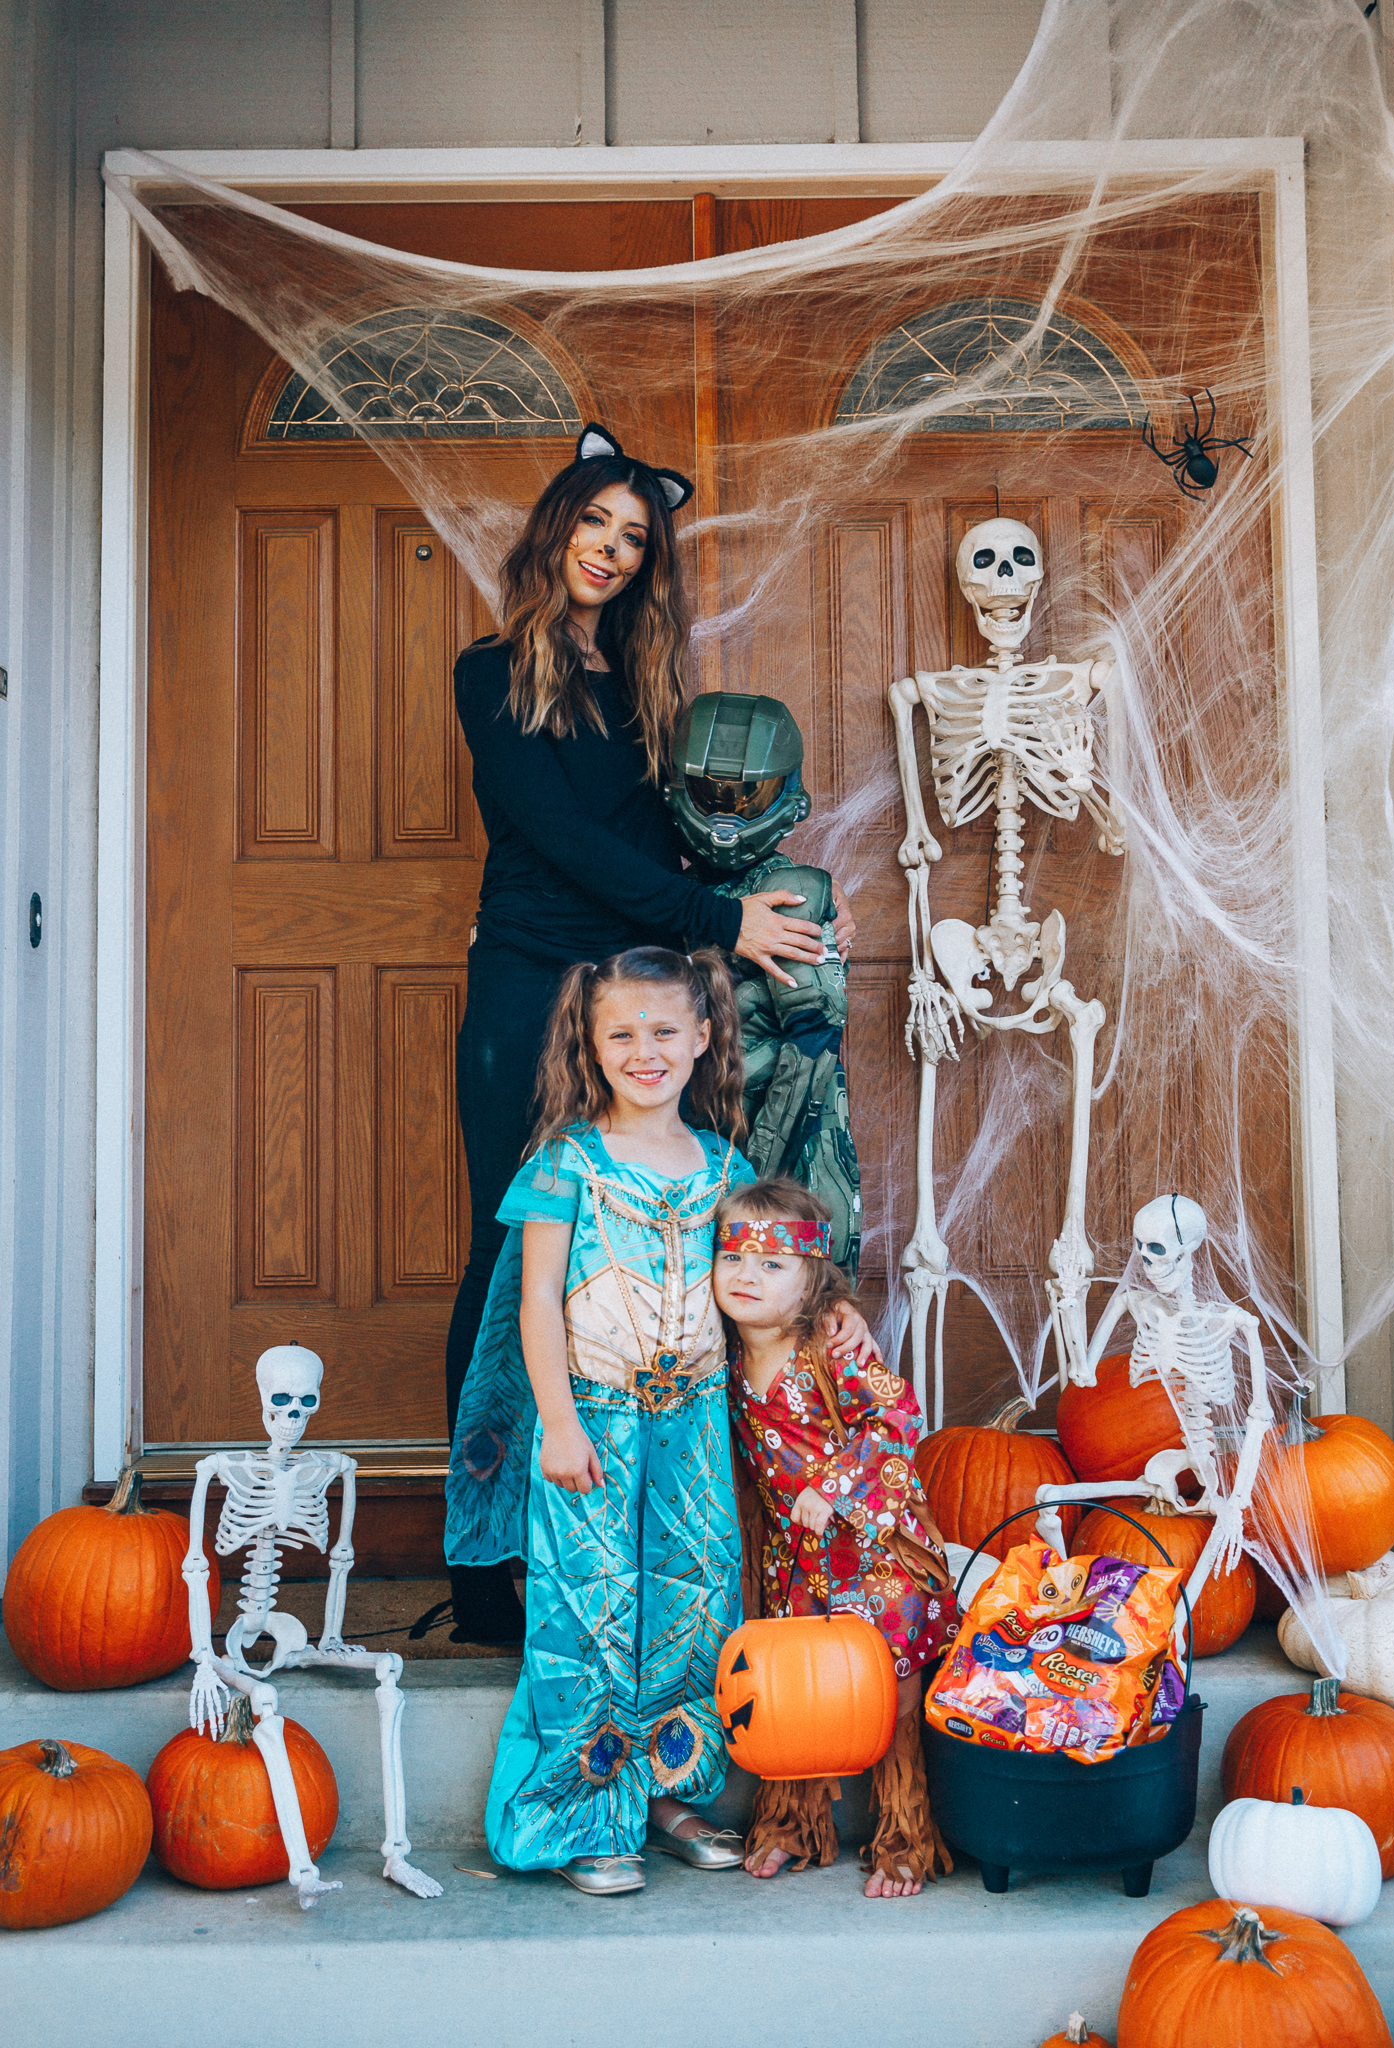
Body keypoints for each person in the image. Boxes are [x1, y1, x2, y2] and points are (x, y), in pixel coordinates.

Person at [446, 423, 854, 1643]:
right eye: (595, 525)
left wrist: (754, 908)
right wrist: (717, 916)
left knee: (655, 1259)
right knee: (508, 1258)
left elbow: (662, 844)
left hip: (644, 989)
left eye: (634, 539)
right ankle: (484, 1572)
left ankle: (654, 1544)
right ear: (555, 528)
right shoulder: (490, 672)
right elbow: (564, 842)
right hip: (530, 985)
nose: (613, 552)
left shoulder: (646, 688)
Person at [444, 950, 874, 1894]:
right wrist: (556, 1422)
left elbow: (777, 1279)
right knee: (589, 1608)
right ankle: (583, 1811)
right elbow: (534, 1304)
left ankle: (666, 1794)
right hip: (592, 1417)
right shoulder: (567, 1164)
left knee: (691, 1601)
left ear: (704, 1038)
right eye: (622, 1034)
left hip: (692, 1428)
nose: (645, 1052)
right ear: (590, 1047)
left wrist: (831, 1307)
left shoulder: (726, 1168)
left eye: (665, 1032)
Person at [712, 1175, 960, 1898]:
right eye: (732, 1259)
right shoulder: (719, 1353)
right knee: (796, 1690)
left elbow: (898, 1419)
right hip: (797, 1559)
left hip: (876, 1550)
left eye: (771, 1264)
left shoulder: (830, 1343)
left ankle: (903, 1839)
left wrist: (836, 1485)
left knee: (889, 1689)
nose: (746, 1276)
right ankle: (793, 1824)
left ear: (813, 1278)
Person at [666, 691, 861, 1275]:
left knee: (796, 1336)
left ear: (788, 796)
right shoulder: (667, 894)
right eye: (711, 792)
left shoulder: (792, 887)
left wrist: (751, 1181)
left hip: (786, 1165)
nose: (729, 813)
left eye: (751, 795)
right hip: (706, 1159)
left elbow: (812, 1049)